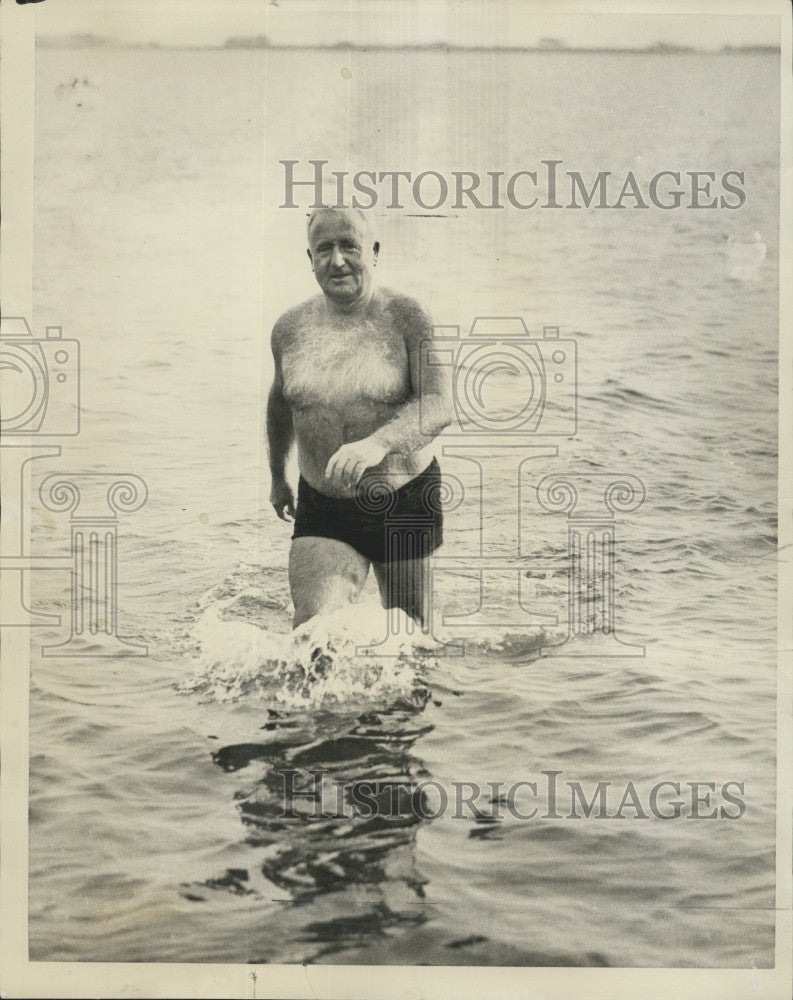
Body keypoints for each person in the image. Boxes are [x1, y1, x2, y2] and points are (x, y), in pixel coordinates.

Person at [266, 207, 453, 629]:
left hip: (402, 500)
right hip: (324, 504)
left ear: (374, 252)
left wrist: (377, 443)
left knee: (411, 640)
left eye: (349, 246)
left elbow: (440, 403)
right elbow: (281, 403)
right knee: (312, 634)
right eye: (324, 249)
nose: (337, 261)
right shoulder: (288, 329)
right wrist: (277, 476)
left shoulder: (409, 318)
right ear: (309, 257)